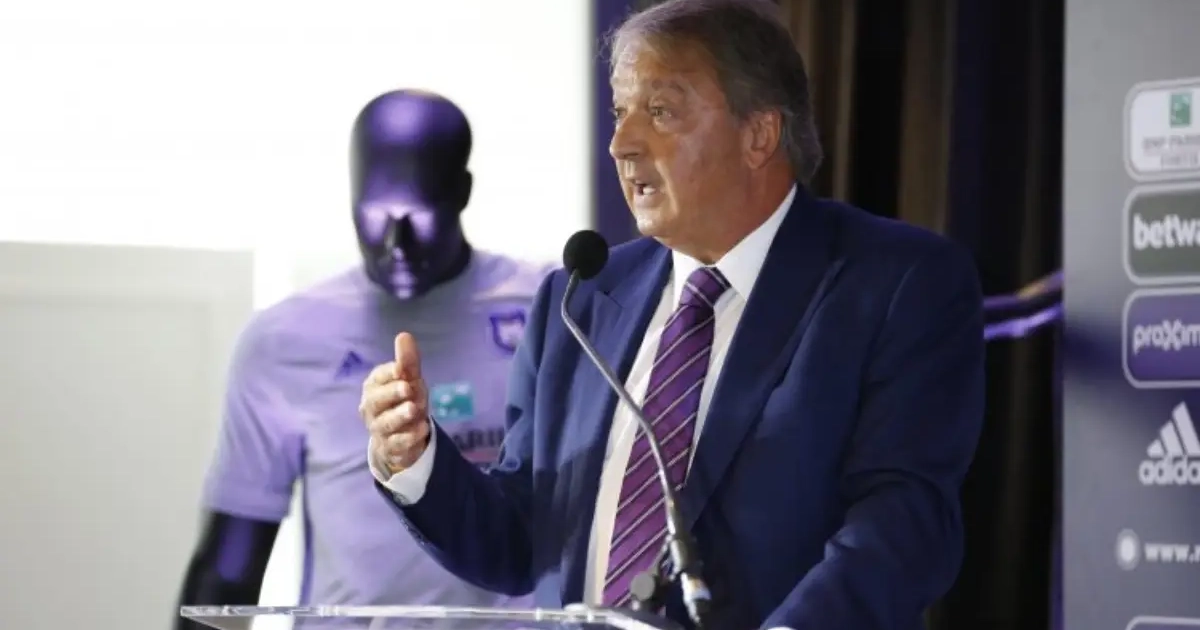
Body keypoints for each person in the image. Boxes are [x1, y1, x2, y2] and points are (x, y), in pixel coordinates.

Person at [359, 1, 985, 628]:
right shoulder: (579, 301)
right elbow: (523, 538)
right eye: (619, 112)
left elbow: (902, 523)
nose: (621, 144)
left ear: (759, 135)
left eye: (660, 111)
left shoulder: (896, 285)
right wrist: (415, 460)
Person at [175, 89, 546, 627]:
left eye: (418, 215)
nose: (397, 242)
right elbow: (230, 565)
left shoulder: (550, 310)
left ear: (462, 193)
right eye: (375, 214)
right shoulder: (284, 341)